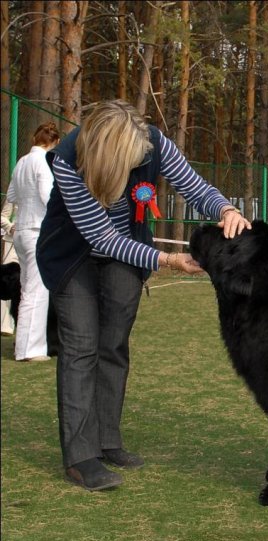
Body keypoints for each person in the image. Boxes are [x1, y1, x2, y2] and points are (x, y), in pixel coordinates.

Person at [36, 99, 251, 491]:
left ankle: (106, 440)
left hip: (127, 250)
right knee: (81, 347)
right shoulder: (69, 160)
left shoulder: (153, 142)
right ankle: (81, 457)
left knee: (114, 344)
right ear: (108, 156)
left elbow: (194, 186)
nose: (140, 163)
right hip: (73, 255)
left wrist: (225, 210)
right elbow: (101, 237)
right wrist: (167, 259)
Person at [6, 123, 60, 359]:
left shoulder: (21, 162)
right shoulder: (43, 163)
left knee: (28, 289)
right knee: (36, 291)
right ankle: (31, 349)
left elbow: (11, 196)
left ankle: (24, 346)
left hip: (21, 231)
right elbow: (48, 197)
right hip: (37, 231)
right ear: (54, 142)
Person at [1, 199, 19, 336]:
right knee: (6, 284)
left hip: (35, 242)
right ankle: (5, 326)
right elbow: (3, 216)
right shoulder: (14, 189)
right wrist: (10, 227)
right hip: (12, 243)